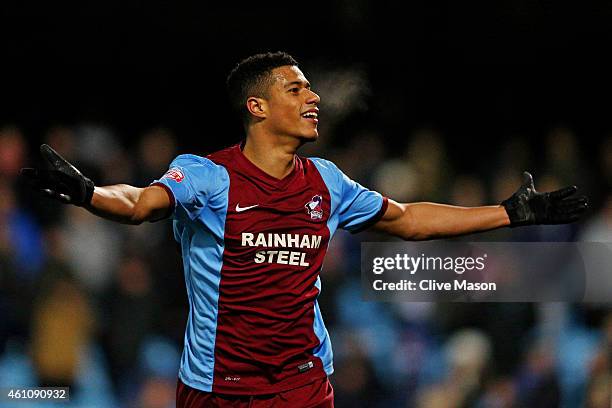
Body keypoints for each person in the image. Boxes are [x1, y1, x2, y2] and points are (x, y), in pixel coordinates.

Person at [21, 51, 588, 407]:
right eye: (296, 89)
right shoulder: (209, 175)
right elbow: (141, 203)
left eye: (313, 88)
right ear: (257, 106)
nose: (314, 98)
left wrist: (511, 213)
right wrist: (88, 193)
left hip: (302, 385)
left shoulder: (328, 182)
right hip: (217, 388)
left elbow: (409, 220)